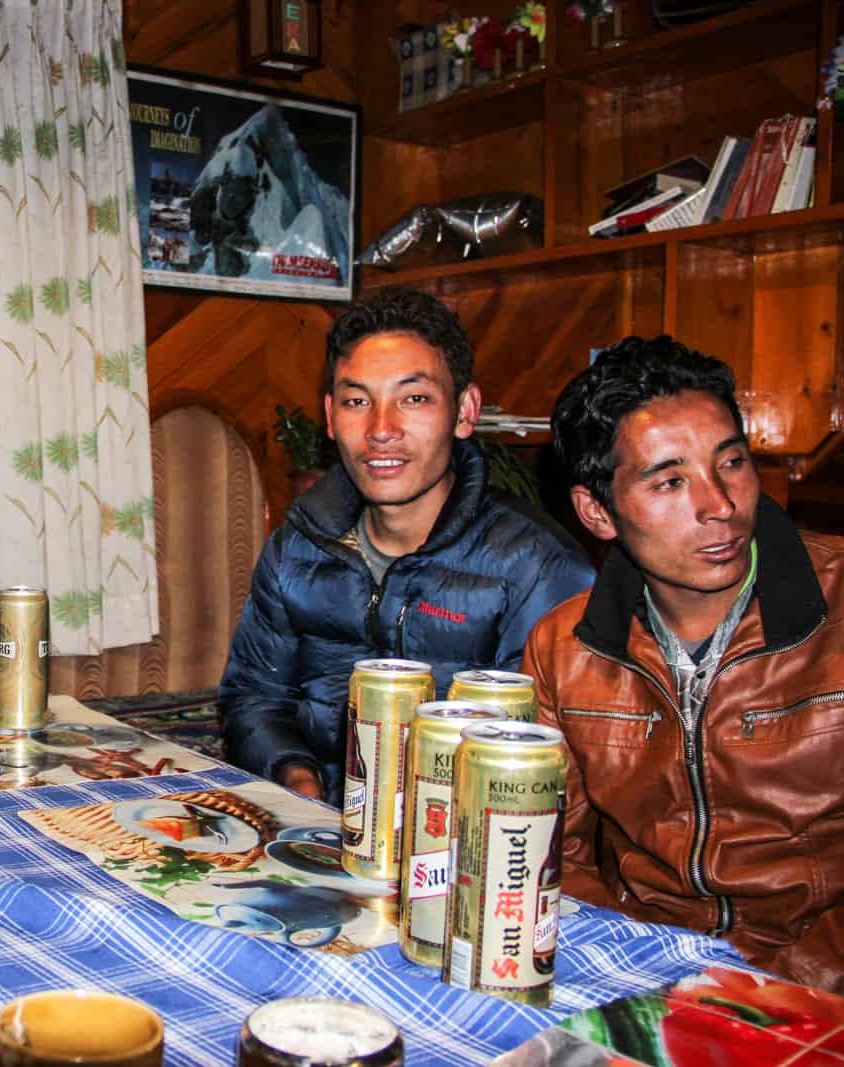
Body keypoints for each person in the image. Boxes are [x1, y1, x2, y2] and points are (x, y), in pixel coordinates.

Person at [524, 336, 844, 991]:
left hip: (817, 986)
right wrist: (649, 967)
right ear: (596, 510)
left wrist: (776, 983)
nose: (720, 504)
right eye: (670, 480)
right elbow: (561, 857)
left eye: (731, 462)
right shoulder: (564, 649)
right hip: (645, 970)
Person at [219, 287, 593, 803]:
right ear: (330, 417)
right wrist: (296, 778)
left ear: (465, 411)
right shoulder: (300, 546)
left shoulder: (536, 568)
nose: (380, 430)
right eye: (357, 401)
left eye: (413, 399)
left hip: (467, 847)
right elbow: (255, 698)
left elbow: (550, 765)